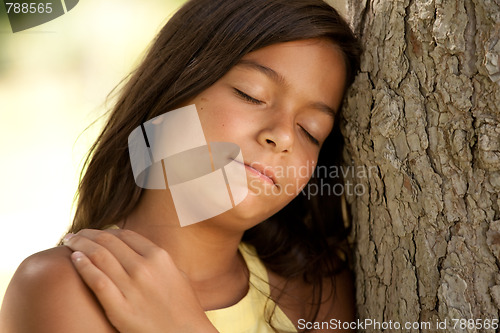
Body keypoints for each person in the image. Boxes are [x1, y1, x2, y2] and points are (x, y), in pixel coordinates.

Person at [0, 0, 361, 331]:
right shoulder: (65, 287)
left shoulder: (319, 292)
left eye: (311, 131)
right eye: (251, 94)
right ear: (173, 90)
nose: (282, 136)